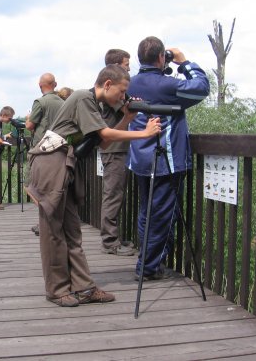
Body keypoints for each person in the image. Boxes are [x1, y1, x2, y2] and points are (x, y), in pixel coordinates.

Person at [25, 64, 161, 307]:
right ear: (107, 84)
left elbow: (104, 142)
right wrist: (145, 134)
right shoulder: (82, 97)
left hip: (62, 163)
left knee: (72, 231)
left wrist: (128, 118)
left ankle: (83, 287)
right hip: (50, 164)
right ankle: (56, 290)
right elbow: (106, 134)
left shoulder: (94, 105)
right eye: (121, 91)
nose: (123, 97)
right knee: (54, 232)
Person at [126, 36, 210, 280]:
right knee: (161, 215)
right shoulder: (167, 85)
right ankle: (148, 268)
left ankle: (151, 261)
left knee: (147, 212)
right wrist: (184, 63)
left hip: (140, 159)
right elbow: (202, 87)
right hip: (166, 161)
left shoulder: (130, 84)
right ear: (162, 57)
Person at [99, 49, 135, 256]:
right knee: (113, 195)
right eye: (126, 64)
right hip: (113, 149)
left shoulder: (111, 90)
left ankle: (112, 237)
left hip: (113, 148)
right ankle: (110, 241)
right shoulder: (112, 93)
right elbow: (126, 110)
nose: (129, 68)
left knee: (114, 194)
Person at [25, 73, 64, 236]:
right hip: (59, 148)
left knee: (30, 186)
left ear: (40, 86)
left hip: (41, 149)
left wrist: (28, 118)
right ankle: (51, 221)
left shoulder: (40, 102)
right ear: (55, 84)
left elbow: (29, 125)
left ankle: (46, 221)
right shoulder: (63, 102)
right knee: (52, 188)